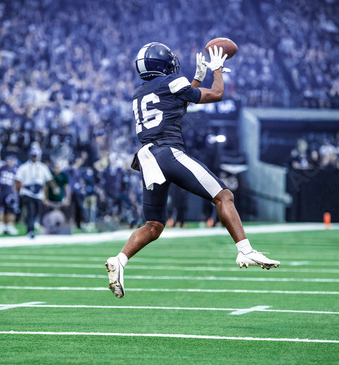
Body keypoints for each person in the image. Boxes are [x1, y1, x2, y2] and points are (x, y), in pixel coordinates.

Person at [105, 43, 280, 299]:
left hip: (147, 157)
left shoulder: (140, 92)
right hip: (168, 152)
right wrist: (217, 70)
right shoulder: (172, 81)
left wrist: (197, 79)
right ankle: (245, 249)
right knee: (224, 196)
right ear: (163, 64)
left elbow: (178, 106)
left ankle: (120, 260)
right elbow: (216, 94)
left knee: (154, 225)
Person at [14, 149, 59, 238]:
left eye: (36, 156)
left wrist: (54, 188)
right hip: (27, 191)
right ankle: (30, 230)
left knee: (36, 212)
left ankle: (32, 228)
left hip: (38, 193)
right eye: (33, 156)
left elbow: (49, 179)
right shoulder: (24, 167)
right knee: (30, 211)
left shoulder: (42, 167)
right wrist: (18, 190)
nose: (34, 158)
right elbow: (18, 180)